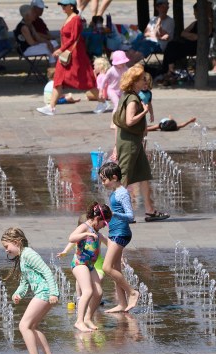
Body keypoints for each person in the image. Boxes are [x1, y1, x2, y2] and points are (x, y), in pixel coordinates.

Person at [114, 64, 169, 222]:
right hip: (130, 143)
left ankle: (150, 211)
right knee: (123, 177)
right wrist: (144, 112)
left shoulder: (128, 95)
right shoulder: (132, 99)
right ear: (134, 81)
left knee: (144, 175)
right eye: (141, 79)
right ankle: (119, 213)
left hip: (131, 141)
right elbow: (129, 121)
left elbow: (120, 123)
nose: (145, 80)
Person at [1, 227, 59, 354]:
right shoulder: (23, 257)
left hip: (44, 293)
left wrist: (54, 293)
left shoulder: (29, 254)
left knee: (24, 326)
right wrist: (18, 293)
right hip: (43, 293)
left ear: (16, 242)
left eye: (6, 246)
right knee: (32, 327)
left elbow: (46, 271)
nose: (6, 250)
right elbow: (24, 282)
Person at [37, 0, 96, 116]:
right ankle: (51, 107)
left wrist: (61, 49)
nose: (62, 7)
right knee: (58, 79)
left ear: (72, 6)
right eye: (61, 5)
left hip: (74, 55)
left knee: (85, 80)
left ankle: (103, 101)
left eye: (64, 5)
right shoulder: (69, 17)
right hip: (67, 55)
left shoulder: (76, 19)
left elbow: (74, 38)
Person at [58, 203, 111, 332]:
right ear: (97, 219)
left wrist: (118, 254)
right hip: (79, 264)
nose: (104, 226)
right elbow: (71, 238)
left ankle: (88, 318)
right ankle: (79, 321)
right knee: (88, 291)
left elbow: (109, 243)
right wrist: (85, 235)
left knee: (98, 293)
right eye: (104, 223)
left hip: (90, 265)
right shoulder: (85, 227)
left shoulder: (97, 232)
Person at [97, 161, 140, 312]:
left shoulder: (122, 193)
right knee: (116, 269)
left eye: (104, 179)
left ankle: (132, 292)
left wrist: (114, 213)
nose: (103, 183)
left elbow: (130, 216)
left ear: (114, 177)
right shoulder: (116, 192)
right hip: (114, 232)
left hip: (120, 233)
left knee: (106, 267)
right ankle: (122, 303)